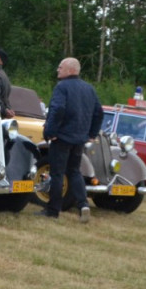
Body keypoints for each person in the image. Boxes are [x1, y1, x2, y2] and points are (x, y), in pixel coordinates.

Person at [38, 57, 103, 222]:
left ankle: (53, 210)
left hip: (62, 137)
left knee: (57, 173)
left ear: (70, 70)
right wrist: (91, 134)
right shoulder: (89, 88)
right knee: (74, 172)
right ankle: (83, 205)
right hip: (79, 138)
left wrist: (50, 132)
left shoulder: (62, 87)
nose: (57, 70)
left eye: (60, 67)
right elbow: (99, 112)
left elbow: (58, 109)